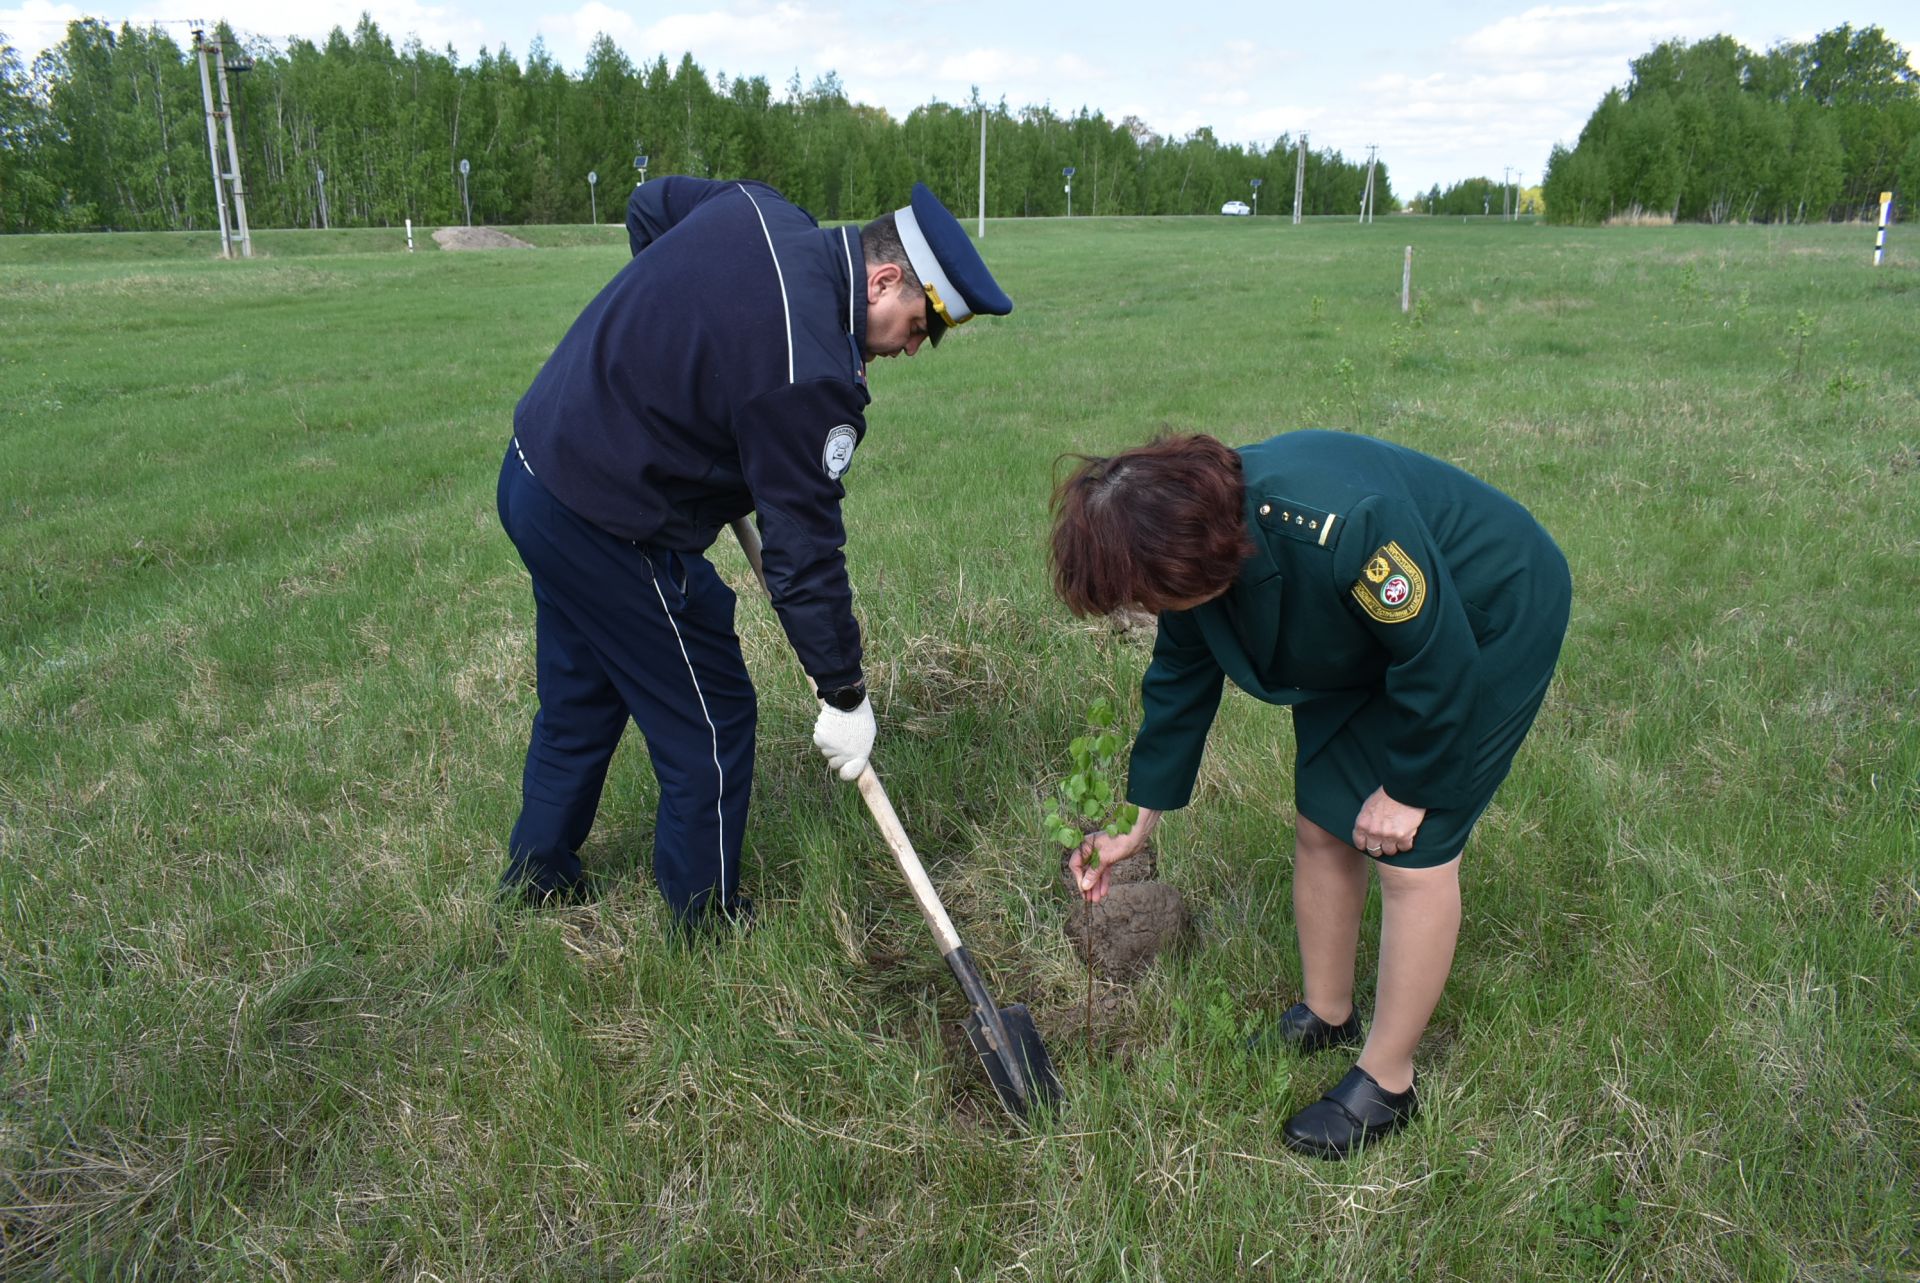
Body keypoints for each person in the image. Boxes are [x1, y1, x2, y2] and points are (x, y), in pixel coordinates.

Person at [495, 177, 1012, 929]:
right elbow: (804, 559)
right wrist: (844, 695)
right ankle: (704, 926)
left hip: (535, 469)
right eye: (920, 322)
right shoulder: (812, 376)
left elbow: (650, 206)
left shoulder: (759, 209)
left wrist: (684, 357)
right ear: (885, 278)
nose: (914, 345)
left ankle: (537, 876)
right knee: (713, 717)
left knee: (581, 693)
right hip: (609, 521)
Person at [1050, 430, 1571, 1158]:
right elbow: (1180, 673)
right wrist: (1140, 818)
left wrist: (1410, 787)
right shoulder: (1200, 537)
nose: (1139, 613)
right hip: (1364, 639)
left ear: (1196, 556)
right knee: (1325, 823)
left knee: (1411, 856)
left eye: (1143, 597)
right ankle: (1329, 1011)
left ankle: (1389, 1081)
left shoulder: (1341, 526)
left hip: (1484, 616)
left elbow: (1437, 651)